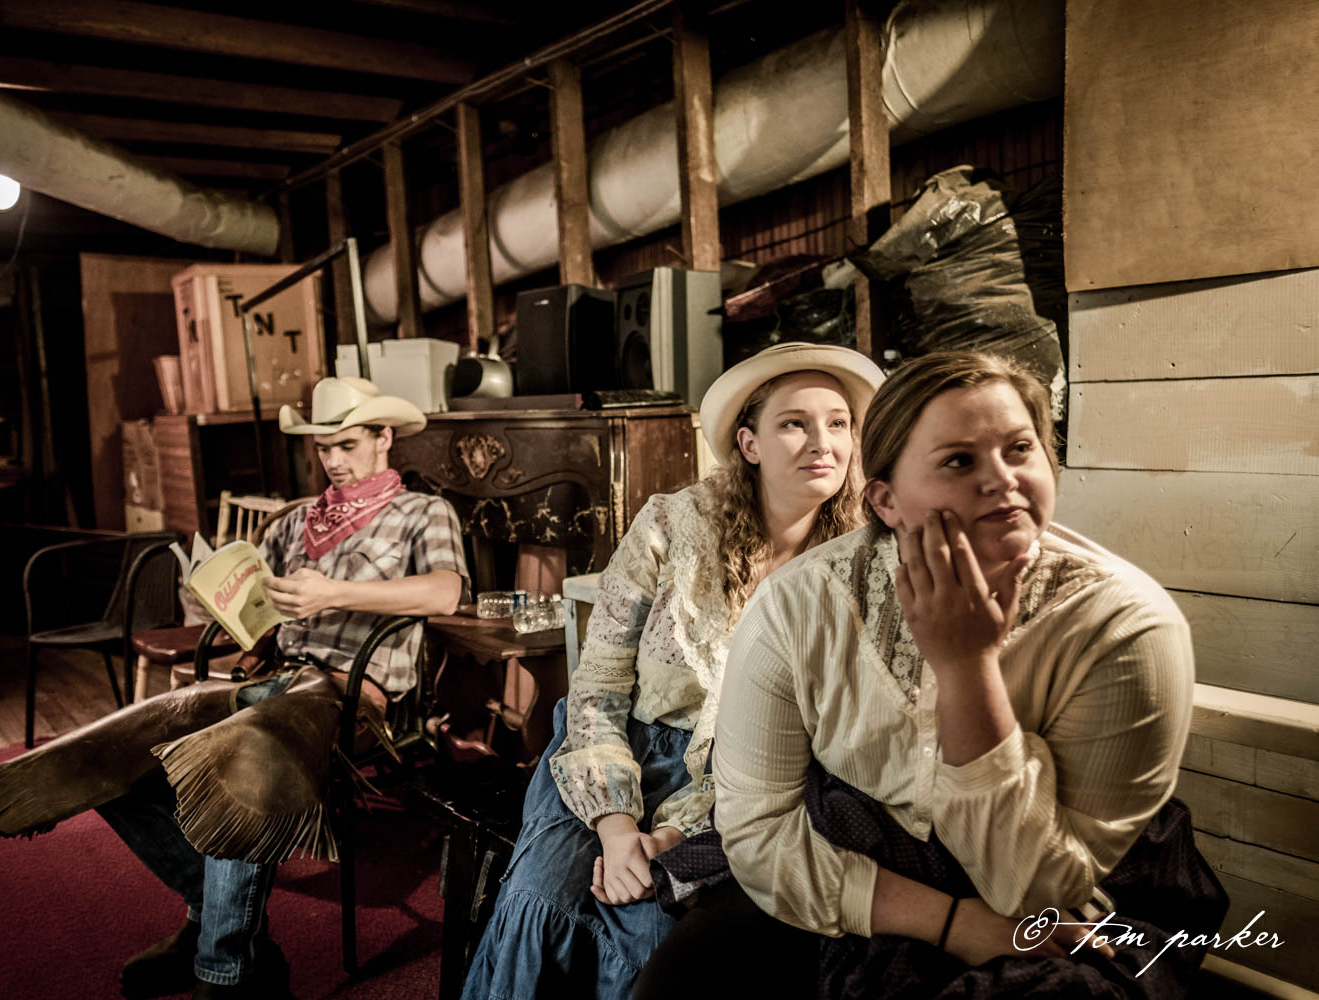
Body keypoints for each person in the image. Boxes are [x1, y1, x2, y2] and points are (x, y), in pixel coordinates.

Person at [635, 350, 1225, 999]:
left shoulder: (1122, 624)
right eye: (959, 461)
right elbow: (756, 831)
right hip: (859, 855)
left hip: (1068, 893)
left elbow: (1035, 891)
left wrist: (966, 668)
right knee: (680, 978)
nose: (1002, 480)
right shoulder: (798, 603)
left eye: (1019, 449)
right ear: (885, 500)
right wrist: (952, 922)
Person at [0, 376, 470, 1000]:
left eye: (346, 444)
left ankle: (225, 969)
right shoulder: (296, 522)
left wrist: (334, 593)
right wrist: (225, 608)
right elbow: (257, 611)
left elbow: (446, 592)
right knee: (112, 750)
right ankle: (213, 921)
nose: (333, 460)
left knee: (239, 756)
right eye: (322, 447)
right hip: (274, 677)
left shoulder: (423, 512)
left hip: (354, 693)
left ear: (384, 437)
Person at [461, 343, 885, 999]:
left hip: (751, 785)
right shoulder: (671, 524)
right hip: (616, 752)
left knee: (658, 941)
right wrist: (616, 826)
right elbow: (597, 687)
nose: (821, 442)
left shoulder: (859, 565)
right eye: (794, 423)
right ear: (749, 443)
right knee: (543, 903)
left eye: (838, 423)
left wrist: (677, 833)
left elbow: (829, 737)